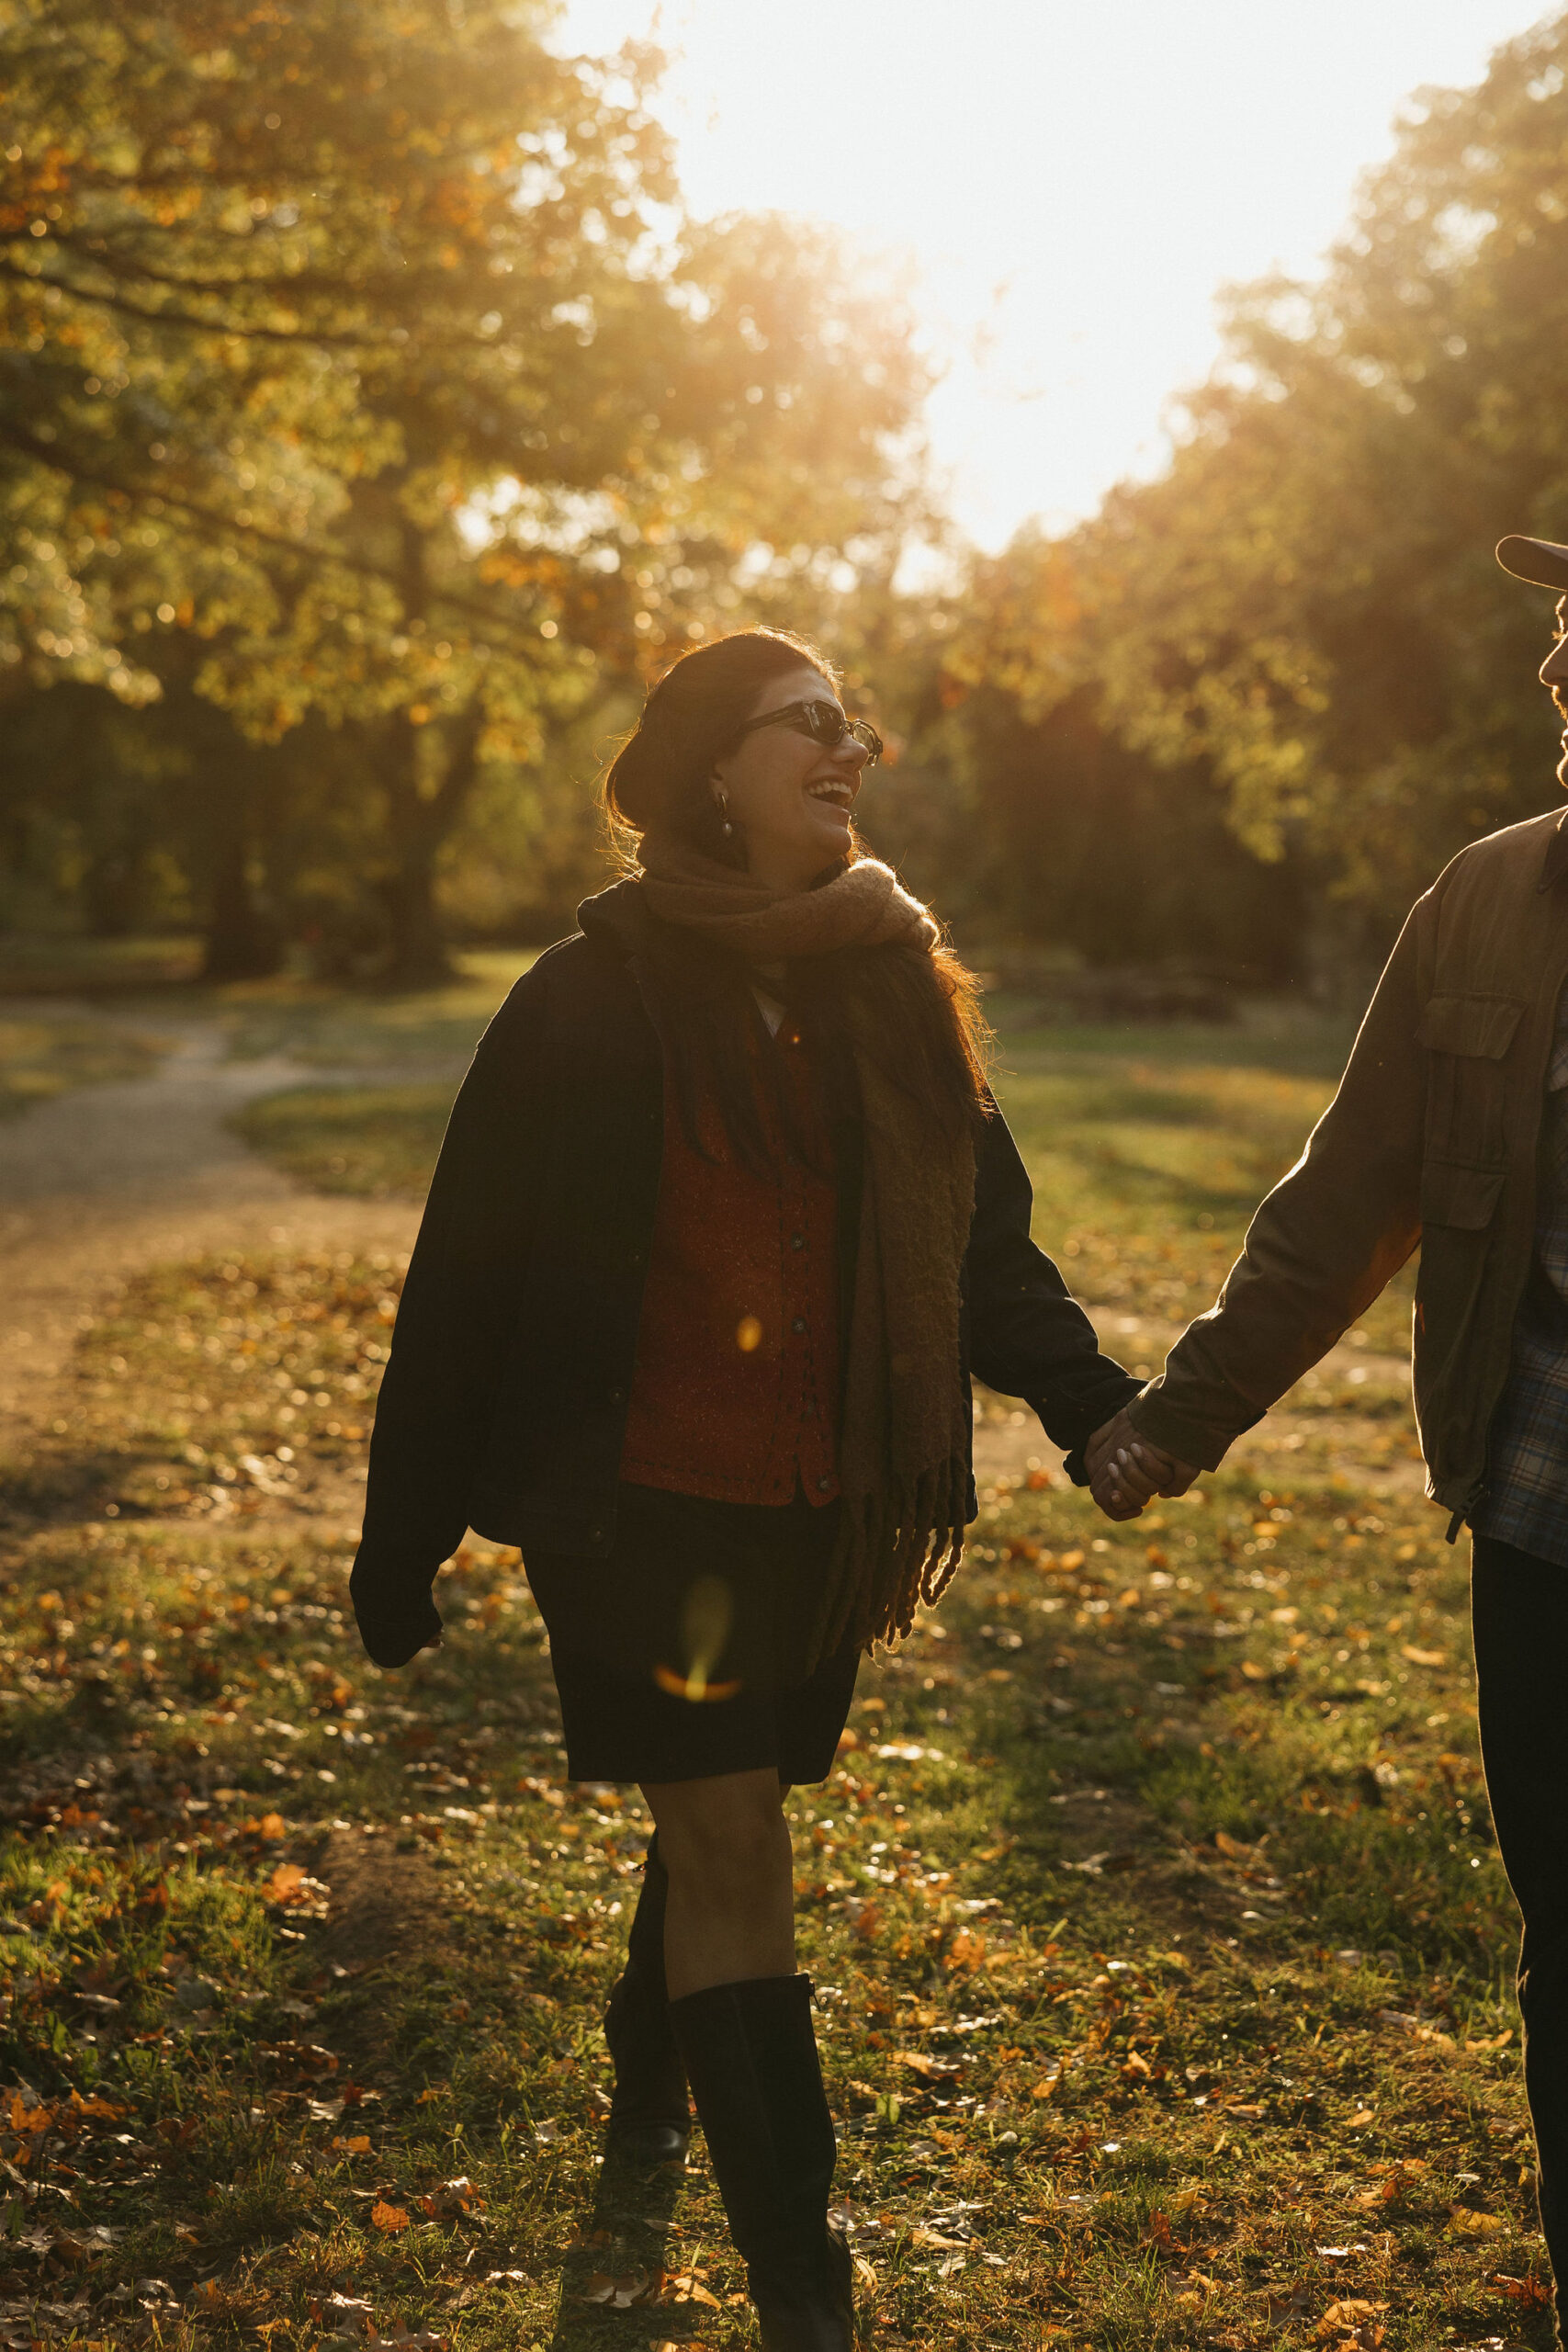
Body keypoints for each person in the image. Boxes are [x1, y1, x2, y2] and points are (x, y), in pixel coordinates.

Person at [348, 627, 1144, 2352]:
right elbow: (465, 1274)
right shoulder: (586, 1001)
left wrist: (1095, 1412)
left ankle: (651, 2082)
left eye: (852, 727)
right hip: (642, 1508)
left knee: (734, 1810)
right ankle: (808, 2282)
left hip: (822, 1504)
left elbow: (985, 1257)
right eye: (806, 727)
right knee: (731, 1833)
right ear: (714, 765)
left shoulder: (894, 981)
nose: (846, 750)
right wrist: (398, 1541)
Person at [1086, 532, 1568, 2342]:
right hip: (1542, 1514)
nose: (1560, 683)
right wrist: (1172, 1421)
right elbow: (1342, 1199)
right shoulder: (1486, 901)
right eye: (1563, 652)